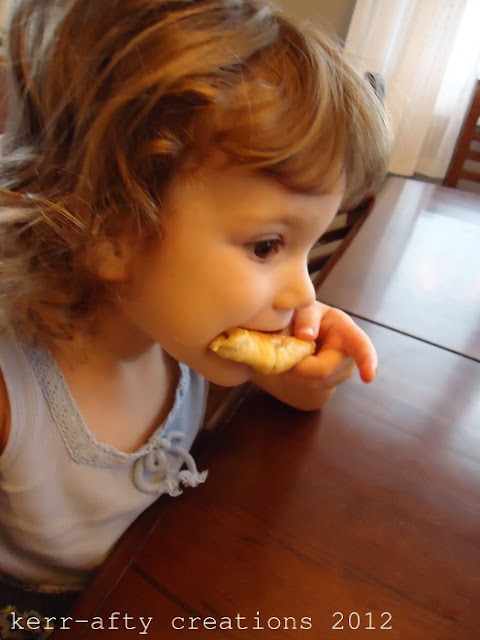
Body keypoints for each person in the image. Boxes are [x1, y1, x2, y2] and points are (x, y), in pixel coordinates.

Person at [0, 0, 391, 630]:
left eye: (310, 246)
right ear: (110, 233)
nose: (302, 289)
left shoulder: (177, 325)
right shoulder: (14, 395)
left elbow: (299, 393)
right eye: (267, 246)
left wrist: (314, 367)